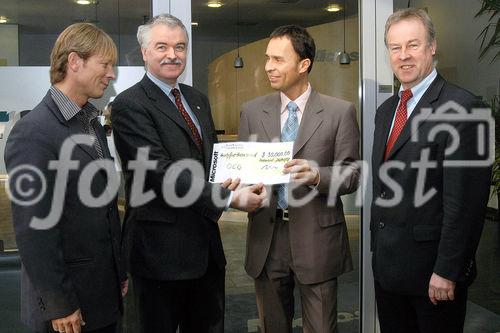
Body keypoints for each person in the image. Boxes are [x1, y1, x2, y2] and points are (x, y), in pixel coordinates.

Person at [111, 14, 266, 333]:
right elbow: (159, 172)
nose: (173, 54)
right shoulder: (129, 105)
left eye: (180, 46)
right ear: (144, 52)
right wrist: (229, 197)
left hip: (206, 253)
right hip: (158, 258)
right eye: (162, 46)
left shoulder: (196, 100)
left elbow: (210, 163)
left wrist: (241, 174)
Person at [370, 8, 492, 333]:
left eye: (413, 45)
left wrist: (448, 270)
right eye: (395, 48)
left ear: (433, 46)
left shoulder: (464, 109)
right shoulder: (385, 112)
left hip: (434, 278)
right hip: (389, 271)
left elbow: (466, 205)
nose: (404, 56)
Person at [4, 23, 127, 333]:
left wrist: (118, 271)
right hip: (66, 311)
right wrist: (59, 303)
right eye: (105, 64)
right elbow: (34, 230)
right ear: (75, 62)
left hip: (101, 296)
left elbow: (103, 208)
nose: (111, 74)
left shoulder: (91, 123)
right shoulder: (33, 132)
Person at [239, 25, 360, 333]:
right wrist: (240, 188)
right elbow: (243, 173)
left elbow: (352, 174)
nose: (268, 66)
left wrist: (318, 174)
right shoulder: (252, 112)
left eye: (278, 59)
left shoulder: (338, 112)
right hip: (267, 237)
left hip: (317, 238)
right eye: (267, 58)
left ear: (304, 64)